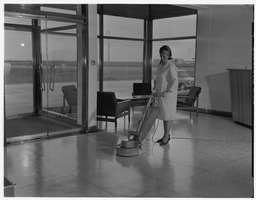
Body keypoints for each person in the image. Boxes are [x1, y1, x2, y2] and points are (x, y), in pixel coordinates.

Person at [153, 45, 178, 146]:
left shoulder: (171, 66)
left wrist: (168, 92)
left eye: (164, 56)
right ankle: (165, 135)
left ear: (169, 56)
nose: (162, 58)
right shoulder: (160, 65)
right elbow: (157, 79)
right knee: (164, 116)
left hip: (168, 97)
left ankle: (166, 137)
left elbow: (175, 81)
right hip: (160, 95)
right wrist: (154, 87)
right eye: (161, 56)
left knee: (168, 117)